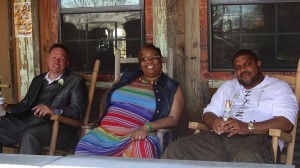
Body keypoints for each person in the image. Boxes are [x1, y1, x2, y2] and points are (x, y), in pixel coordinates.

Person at [163, 49, 298, 163]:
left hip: (257, 139)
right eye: (237, 67)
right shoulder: (227, 87)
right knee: (176, 149)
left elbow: (286, 123)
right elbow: (208, 113)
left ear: (258, 64)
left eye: (247, 64)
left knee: (247, 157)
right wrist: (214, 122)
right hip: (219, 139)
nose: (242, 70)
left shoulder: (279, 87)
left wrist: (247, 127)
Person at [75, 44, 184, 158]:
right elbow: (107, 95)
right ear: (140, 64)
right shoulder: (126, 78)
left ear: (160, 60)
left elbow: (174, 119)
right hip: (106, 133)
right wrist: (100, 119)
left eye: (153, 57)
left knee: (142, 149)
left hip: (138, 135)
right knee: (84, 145)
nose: (149, 62)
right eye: (144, 59)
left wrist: (147, 127)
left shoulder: (171, 87)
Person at [0, 43, 87, 154]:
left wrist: (54, 110)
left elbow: (77, 111)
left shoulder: (75, 81)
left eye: (62, 59)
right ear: (47, 60)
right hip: (29, 122)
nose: (56, 62)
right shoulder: (38, 79)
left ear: (67, 62)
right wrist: (8, 108)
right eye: (53, 58)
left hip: (57, 126)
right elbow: (25, 104)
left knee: (30, 134)